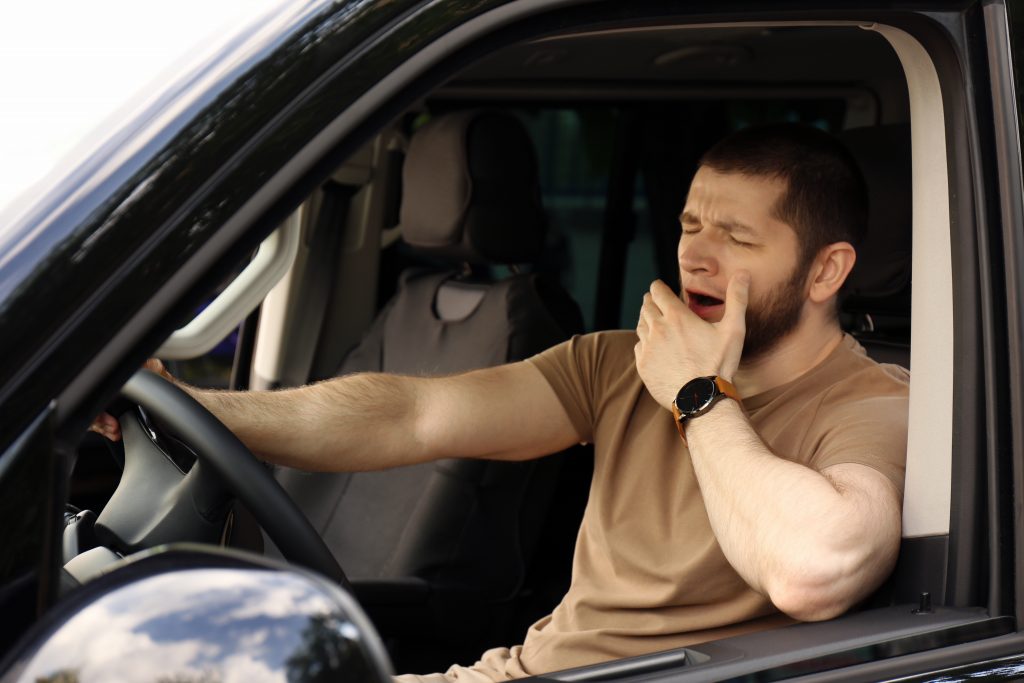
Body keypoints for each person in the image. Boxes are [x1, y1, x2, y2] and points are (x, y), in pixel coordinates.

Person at [93, 123, 910, 682]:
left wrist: (700, 395)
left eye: (735, 237)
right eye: (691, 223)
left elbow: (815, 568)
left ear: (826, 271)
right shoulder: (621, 364)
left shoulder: (876, 404)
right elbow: (411, 415)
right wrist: (194, 409)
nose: (694, 253)